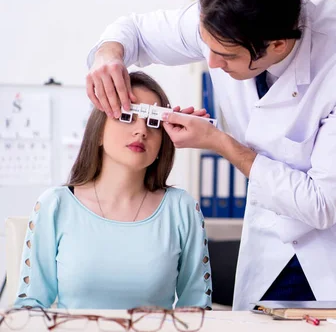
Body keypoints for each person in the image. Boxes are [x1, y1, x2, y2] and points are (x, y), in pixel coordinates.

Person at [86, 0, 336, 311]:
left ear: (278, 46)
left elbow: (322, 203)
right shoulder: (225, 21)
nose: (210, 63)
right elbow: (133, 30)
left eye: (226, 55)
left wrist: (218, 141)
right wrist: (108, 56)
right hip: (273, 246)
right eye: (205, 45)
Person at [14, 72, 212, 310]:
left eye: (153, 122)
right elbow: (30, 307)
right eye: (127, 116)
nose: (141, 131)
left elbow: (196, 309)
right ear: (98, 131)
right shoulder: (55, 205)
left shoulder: (182, 208)